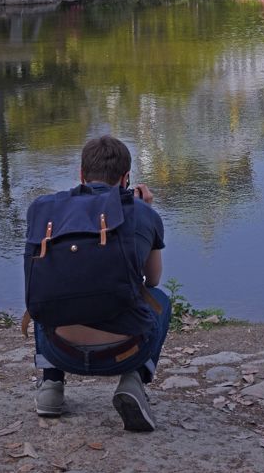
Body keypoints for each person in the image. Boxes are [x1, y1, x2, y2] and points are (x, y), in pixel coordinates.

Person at [30, 135, 170, 432]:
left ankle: (51, 386)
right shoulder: (144, 213)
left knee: (48, 288)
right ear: (126, 178)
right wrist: (143, 210)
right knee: (161, 299)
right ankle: (133, 381)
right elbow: (153, 279)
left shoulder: (46, 212)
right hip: (124, 352)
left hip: (60, 350)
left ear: (80, 175)